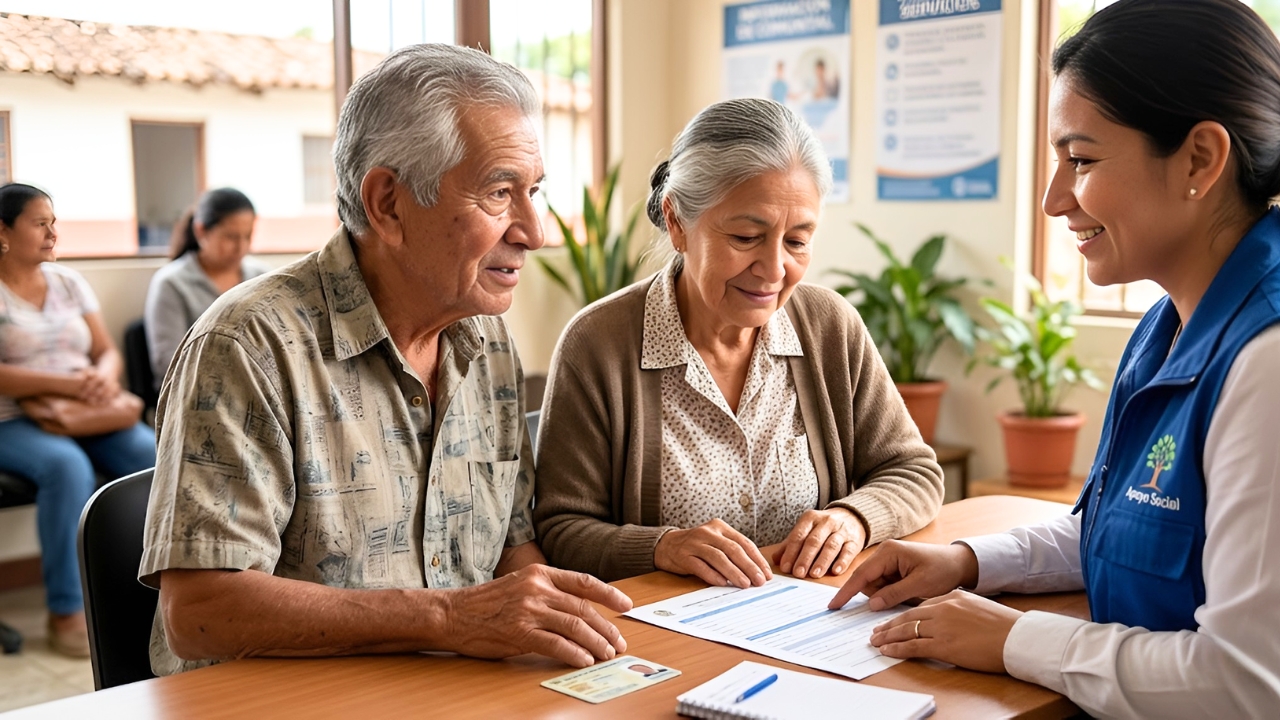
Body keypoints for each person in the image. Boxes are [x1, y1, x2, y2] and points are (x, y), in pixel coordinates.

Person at [829, 1, 1280, 717]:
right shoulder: (1169, 324)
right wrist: (970, 563)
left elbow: (1244, 683)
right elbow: (1122, 529)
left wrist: (1015, 640)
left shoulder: (1265, 363)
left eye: (1082, 159)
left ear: (1200, 157)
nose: (1052, 199)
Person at [139, 44, 631, 677]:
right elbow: (201, 612)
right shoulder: (249, 346)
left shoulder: (486, 341)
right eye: (500, 192)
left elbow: (512, 548)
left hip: (445, 690)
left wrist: (570, 632)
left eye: (533, 192)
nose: (534, 231)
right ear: (389, 204)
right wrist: (448, 619)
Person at [534, 98, 943, 588]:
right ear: (678, 222)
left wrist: (855, 518)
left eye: (797, 241)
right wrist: (663, 546)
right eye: (748, 237)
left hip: (806, 625)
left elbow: (914, 472)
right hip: (668, 639)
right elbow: (561, 530)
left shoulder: (830, 327)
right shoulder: (598, 344)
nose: (774, 270)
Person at [0, 183, 156, 657]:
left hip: (87, 409)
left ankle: (153, 590)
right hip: (13, 421)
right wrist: (70, 385)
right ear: (3, 233)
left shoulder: (69, 282)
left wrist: (103, 380)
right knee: (67, 468)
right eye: (39, 223)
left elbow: (106, 350)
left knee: (151, 454)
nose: (53, 233)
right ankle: (66, 611)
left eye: (54, 222)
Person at [144, 187, 270, 391]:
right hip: (196, 392)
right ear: (201, 230)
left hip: (259, 389)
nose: (241, 247)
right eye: (230, 237)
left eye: (247, 236)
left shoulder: (262, 276)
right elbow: (169, 364)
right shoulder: (171, 283)